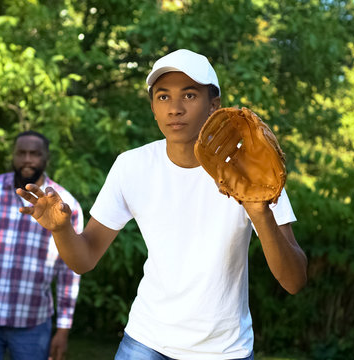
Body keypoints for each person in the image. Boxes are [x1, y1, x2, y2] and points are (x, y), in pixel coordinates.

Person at [16, 49, 308, 360]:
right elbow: (84, 259)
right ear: (153, 107)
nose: (175, 109)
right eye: (163, 97)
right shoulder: (133, 166)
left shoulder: (252, 171)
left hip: (223, 351)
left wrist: (260, 212)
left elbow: (294, 281)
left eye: (190, 95)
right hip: (145, 342)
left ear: (214, 105)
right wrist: (62, 230)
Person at [0, 130, 84, 360]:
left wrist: (63, 329)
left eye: (35, 153)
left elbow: (68, 271)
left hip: (33, 322)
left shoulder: (65, 205)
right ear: (13, 155)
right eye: (21, 153)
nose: (27, 159)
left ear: (46, 158)